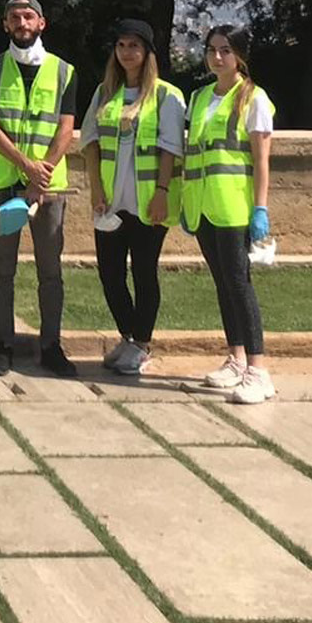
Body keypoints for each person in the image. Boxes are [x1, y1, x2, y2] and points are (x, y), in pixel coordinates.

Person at [0, 0, 79, 377]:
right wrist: (25, 167)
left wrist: (43, 172)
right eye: (14, 17)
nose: (22, 23)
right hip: (4, 182)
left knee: (50, 270)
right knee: (2, 270)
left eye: (28, 16)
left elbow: (65, 127)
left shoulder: (64, 70)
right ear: (5, 24)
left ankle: (51, 345)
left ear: (42, 23)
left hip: (48, 187)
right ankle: (2, 344)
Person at [79, 19, 185, 377]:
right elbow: (90, 143)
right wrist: (95, 188)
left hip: (147, 200)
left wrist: (162, 192)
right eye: (121, 45)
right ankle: (127, 336)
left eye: (134, 46)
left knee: (143, 271)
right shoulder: (105, 92)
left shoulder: (167, 95)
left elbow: (170, 147)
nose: (127, 53)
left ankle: (141, 343)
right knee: (109, 273)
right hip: (111, 199)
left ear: (147, 52)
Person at [183, 25, 276, 405]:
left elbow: (261, 159)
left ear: (239, 55)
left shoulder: (253, 98)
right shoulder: (200, 96)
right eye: (211, 50)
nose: (217, 57)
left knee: (240, 284)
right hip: (204, 203)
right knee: (223, 283)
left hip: (235, 205)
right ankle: (236, 357)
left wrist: (260, 208)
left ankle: (259, 369)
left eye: (225, 50)